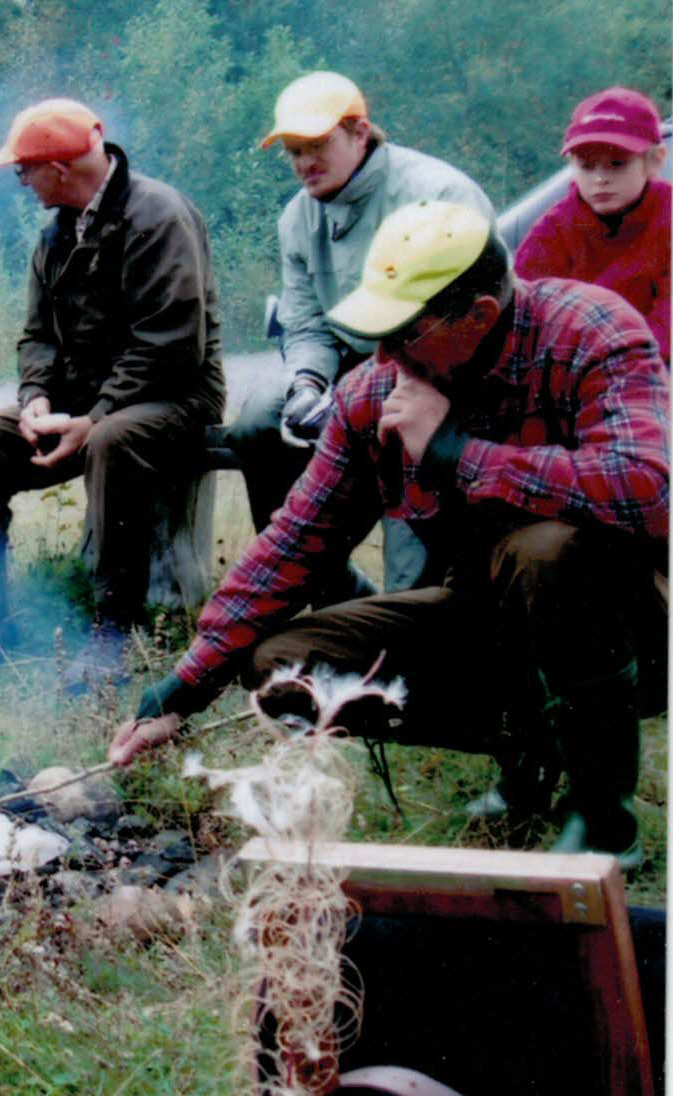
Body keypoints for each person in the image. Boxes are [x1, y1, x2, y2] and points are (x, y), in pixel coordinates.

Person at [109, 201, 669, 866]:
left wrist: (458, 453)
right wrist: (184, 686)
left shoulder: (587, 330)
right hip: (484, 616)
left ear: (479, 316)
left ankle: (603, 819)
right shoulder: (374, 393)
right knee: (283, 670)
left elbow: (648, 489)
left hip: (630, 627)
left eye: (402, 334)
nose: (382, 356)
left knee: (545, 550)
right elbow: (294, 542)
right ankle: (533, 745)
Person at [0, 99, 226, 691]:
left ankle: (113, 630)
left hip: (175, 395)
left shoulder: (158, 215)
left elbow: (169, 344)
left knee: (112, 440)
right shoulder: (57, 231)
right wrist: (36, 397)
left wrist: (96, 415)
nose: (21, 181)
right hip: (85, 403)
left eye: (24, 170)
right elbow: (37, 335)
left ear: (59, 168)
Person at [230, 71, 494, 596]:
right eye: (292, 151)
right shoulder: (297, 218)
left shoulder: (437, 193)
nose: (303, 163)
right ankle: (321, 581)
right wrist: (307, 384)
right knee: (260, 420)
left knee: (396, 436)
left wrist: (385, 385)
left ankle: (408, 600)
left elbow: (468, 323)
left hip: (443, 371)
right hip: (353, 364)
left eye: (316, 145)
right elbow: (305, 321)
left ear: (359, 132)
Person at [515, 86, 670, 363]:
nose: (600, 179)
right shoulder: (554, 230)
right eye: (587, 166)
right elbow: (524, 317)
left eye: (616, 164)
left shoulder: (667, 216)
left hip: (653, 364)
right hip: (574, 368)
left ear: (654, 161)